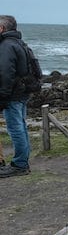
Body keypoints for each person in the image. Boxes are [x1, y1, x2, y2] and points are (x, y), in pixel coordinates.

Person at [0, 15, 32, 178]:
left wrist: (3, 97)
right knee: (21, 127)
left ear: (2, 28)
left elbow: (6, 74)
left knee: (15, 128)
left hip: (13, 94)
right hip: (22, 92)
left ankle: (19, 164)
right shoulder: (19, 43)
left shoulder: (6, 45)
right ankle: (22, 162)